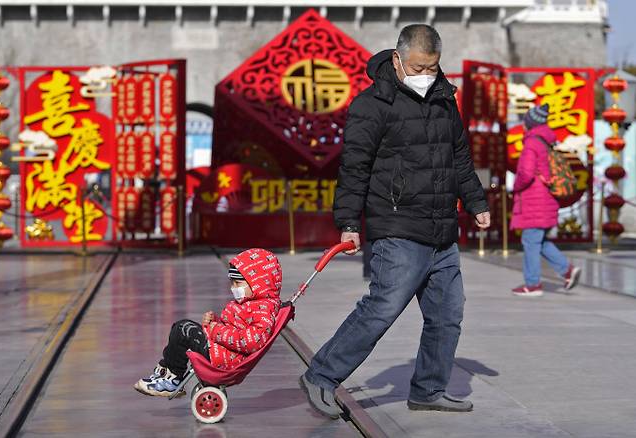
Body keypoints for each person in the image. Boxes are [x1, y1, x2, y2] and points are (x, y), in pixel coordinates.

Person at [299, 24, 490, 418]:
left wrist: (475, 201)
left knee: (447, 315)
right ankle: (321, 375)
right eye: (419, 67)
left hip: (442, 230)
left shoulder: (444, 98)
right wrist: (349, 222)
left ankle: (428, 389)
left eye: (433, 67)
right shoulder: (372, 104)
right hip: (398, 226)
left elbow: (460, 157)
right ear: (398, 59)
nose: (426, 75)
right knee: (382, 307)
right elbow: (354, 167)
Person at [134, 248, 282, 397]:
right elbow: (235, 327)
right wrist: (215, 322)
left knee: (183, 330)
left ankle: (172, 379)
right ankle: (167, 372)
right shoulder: (250, 303)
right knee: (181, 327)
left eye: (238, 283)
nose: (233, 288)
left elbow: (251, 341)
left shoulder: (263, 310)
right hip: (221, 351)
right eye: (232, 283)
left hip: (223, 358)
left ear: (258, 283)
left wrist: (216, 330)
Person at [510, 104, 581, 297]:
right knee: (538, 240)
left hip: (534, 200)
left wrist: (514, 188)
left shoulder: (531, 143)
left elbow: (525, 173)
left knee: (530, 241)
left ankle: (532, 284)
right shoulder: (545, 141)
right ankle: (567, 270)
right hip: (546, 199)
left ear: (530, 123)